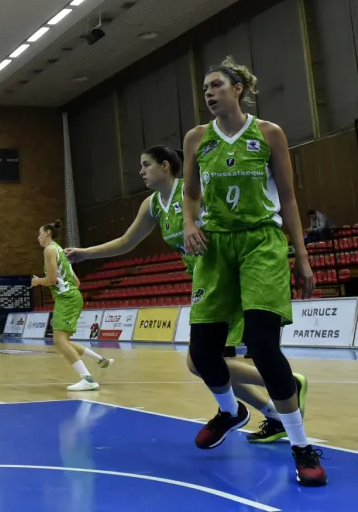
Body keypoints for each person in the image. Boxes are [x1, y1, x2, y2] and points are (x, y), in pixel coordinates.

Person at [65, 145, 308, 443]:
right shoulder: (153, 204)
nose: (140, 171)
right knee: (206, 364)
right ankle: (273, 409)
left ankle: (282, 386)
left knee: (201, 361)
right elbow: (127, 242)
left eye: (146, 165)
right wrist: (84, 254)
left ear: (165, 166)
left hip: (229, 276)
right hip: (205, 278)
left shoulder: (195, 190)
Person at [181, 57, 324, 485]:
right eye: (205, 88)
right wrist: (190, 222)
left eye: (217, 85)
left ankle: (300, 444)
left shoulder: (268, 134)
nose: (209, 93)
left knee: (263, 347)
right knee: (203, 353)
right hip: (215, 247)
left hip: (261, 242)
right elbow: (190, 195)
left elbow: (290, 197)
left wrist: (301, 256)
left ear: (238, 89)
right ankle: (231, 412)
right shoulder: (196, 139)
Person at [32, 221, 113, 391]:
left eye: (40, 233)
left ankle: (87, 378)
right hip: (72, 297)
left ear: (47, 233)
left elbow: (52, 280)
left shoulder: (49, 250)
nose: (38, 237)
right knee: (65, 341)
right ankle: (101, 361)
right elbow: (76, 281)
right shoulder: (60, 250)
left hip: (67, 299)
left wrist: (39, 281)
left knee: (59, 341)